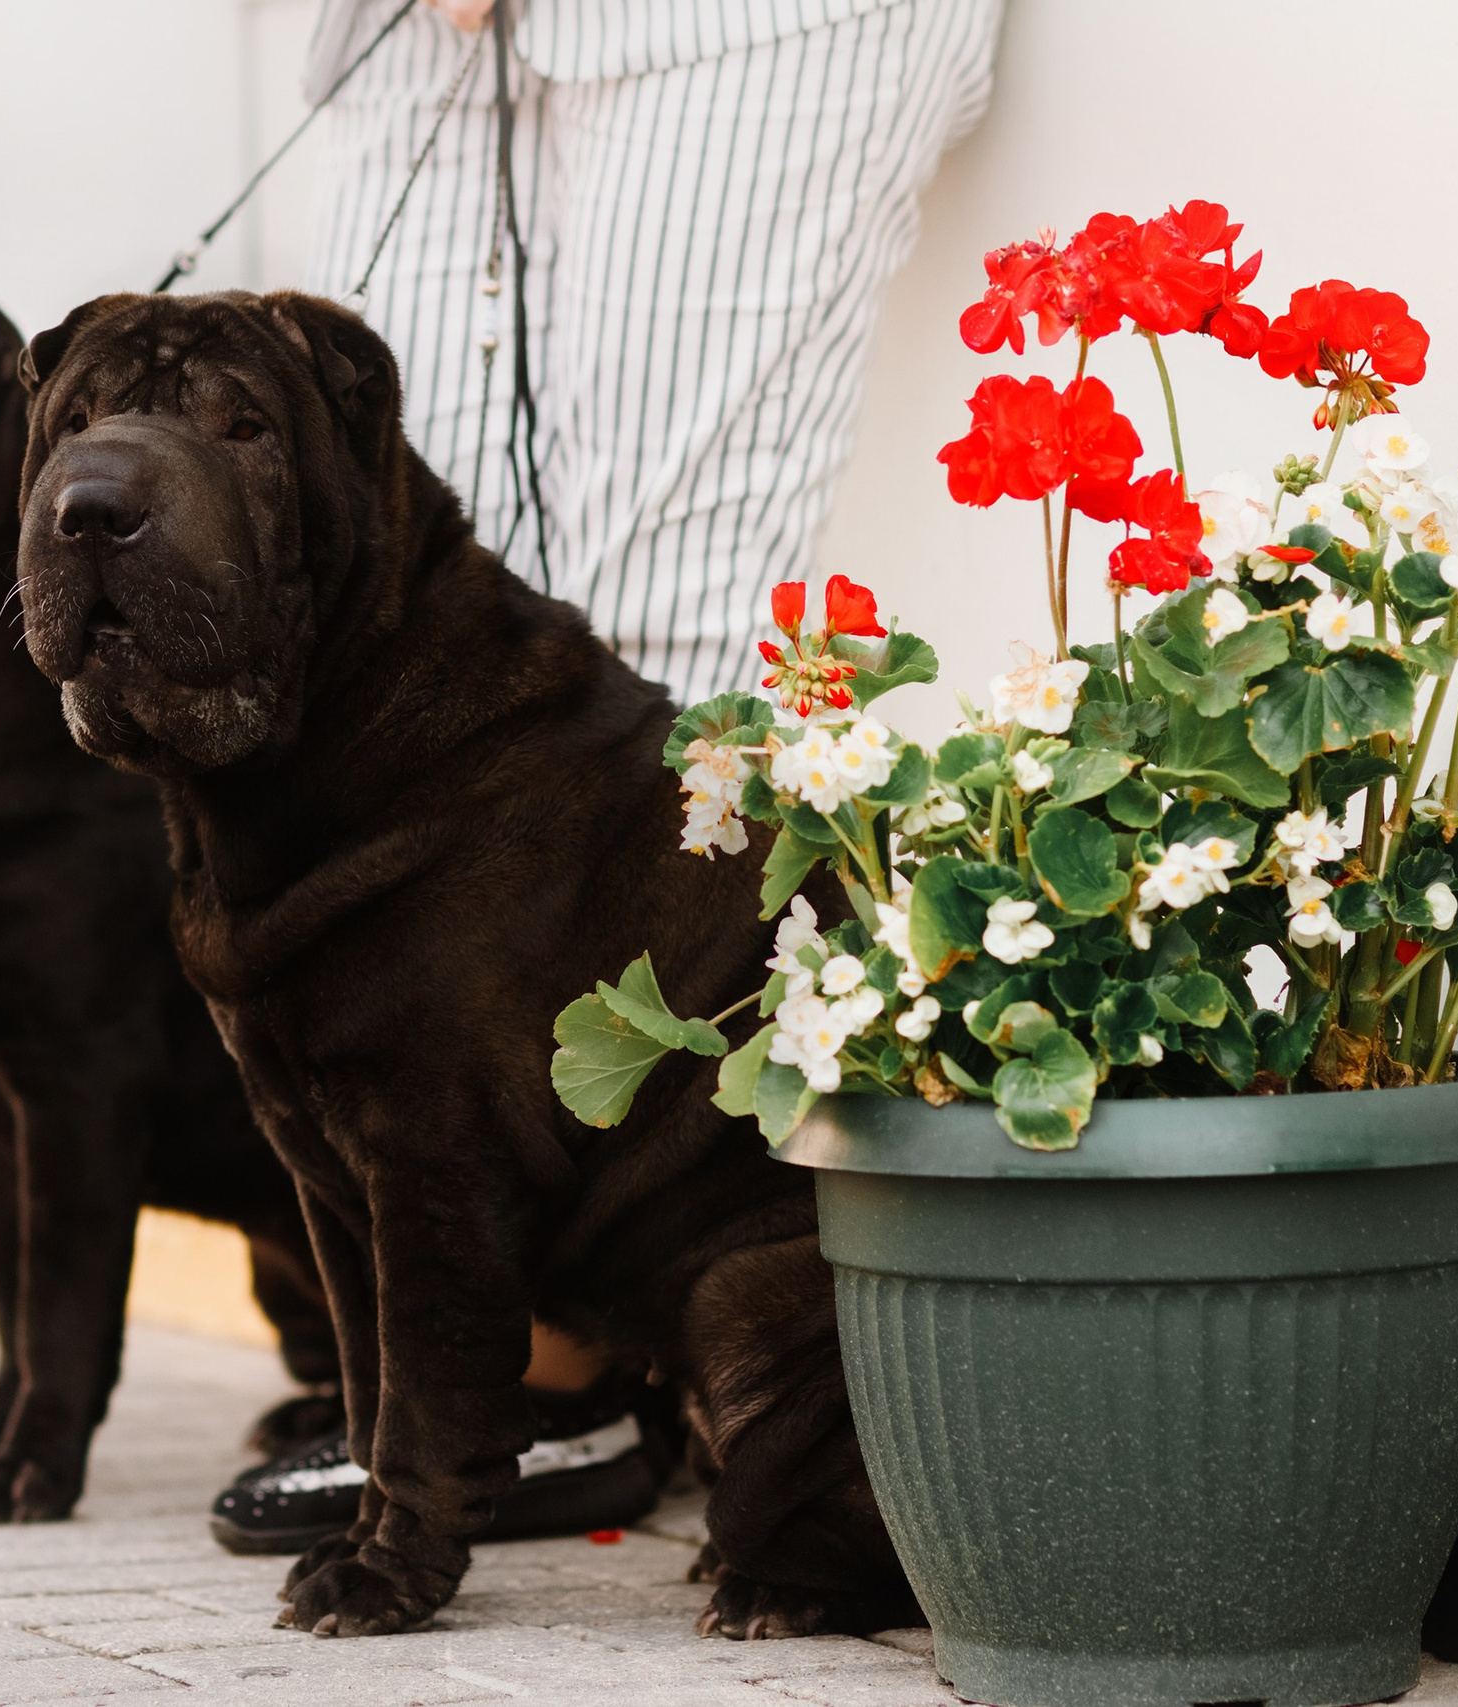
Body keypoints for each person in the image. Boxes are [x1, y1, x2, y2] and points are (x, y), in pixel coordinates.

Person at [209, 0, 1003, 1554]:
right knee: (399, 598)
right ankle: (465, 1362)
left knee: (646, 659)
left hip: (724, 30)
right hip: (409, 34)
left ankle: (564, 1381)